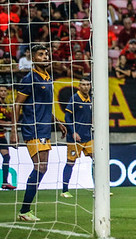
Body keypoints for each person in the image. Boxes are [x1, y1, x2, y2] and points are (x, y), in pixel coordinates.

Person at [15, 44, 64, 221]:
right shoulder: (30, 79)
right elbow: (17, 104)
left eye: (46, 54)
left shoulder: (48, 77)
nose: (45, 57)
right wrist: (14, 130)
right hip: (32, 128)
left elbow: (42, 105)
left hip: (44, 128)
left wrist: (57, 121)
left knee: (43, 168)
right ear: (34, 58)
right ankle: (24, 210)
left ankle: (25, 210)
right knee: (40, 167)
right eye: (41, 54)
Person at [61, 76, 93, 198]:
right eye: (83, 85)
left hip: (88, 137)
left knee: (97, 160)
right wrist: (73, 132)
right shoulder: (74, 98)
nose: (86, 87)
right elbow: (67, 117)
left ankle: (100, 188)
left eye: (88, 84)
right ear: (79, 86)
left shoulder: (90, 99)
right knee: (70, 162)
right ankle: (64, 190)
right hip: (75, 137)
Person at [0, 85, 15, 190]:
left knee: (6, 157)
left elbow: (10, 117)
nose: (3, 93)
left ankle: (5, 182)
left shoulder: (5, 105)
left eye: (5, 91)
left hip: (1, 135)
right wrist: (8, 124)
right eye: (1, 91)